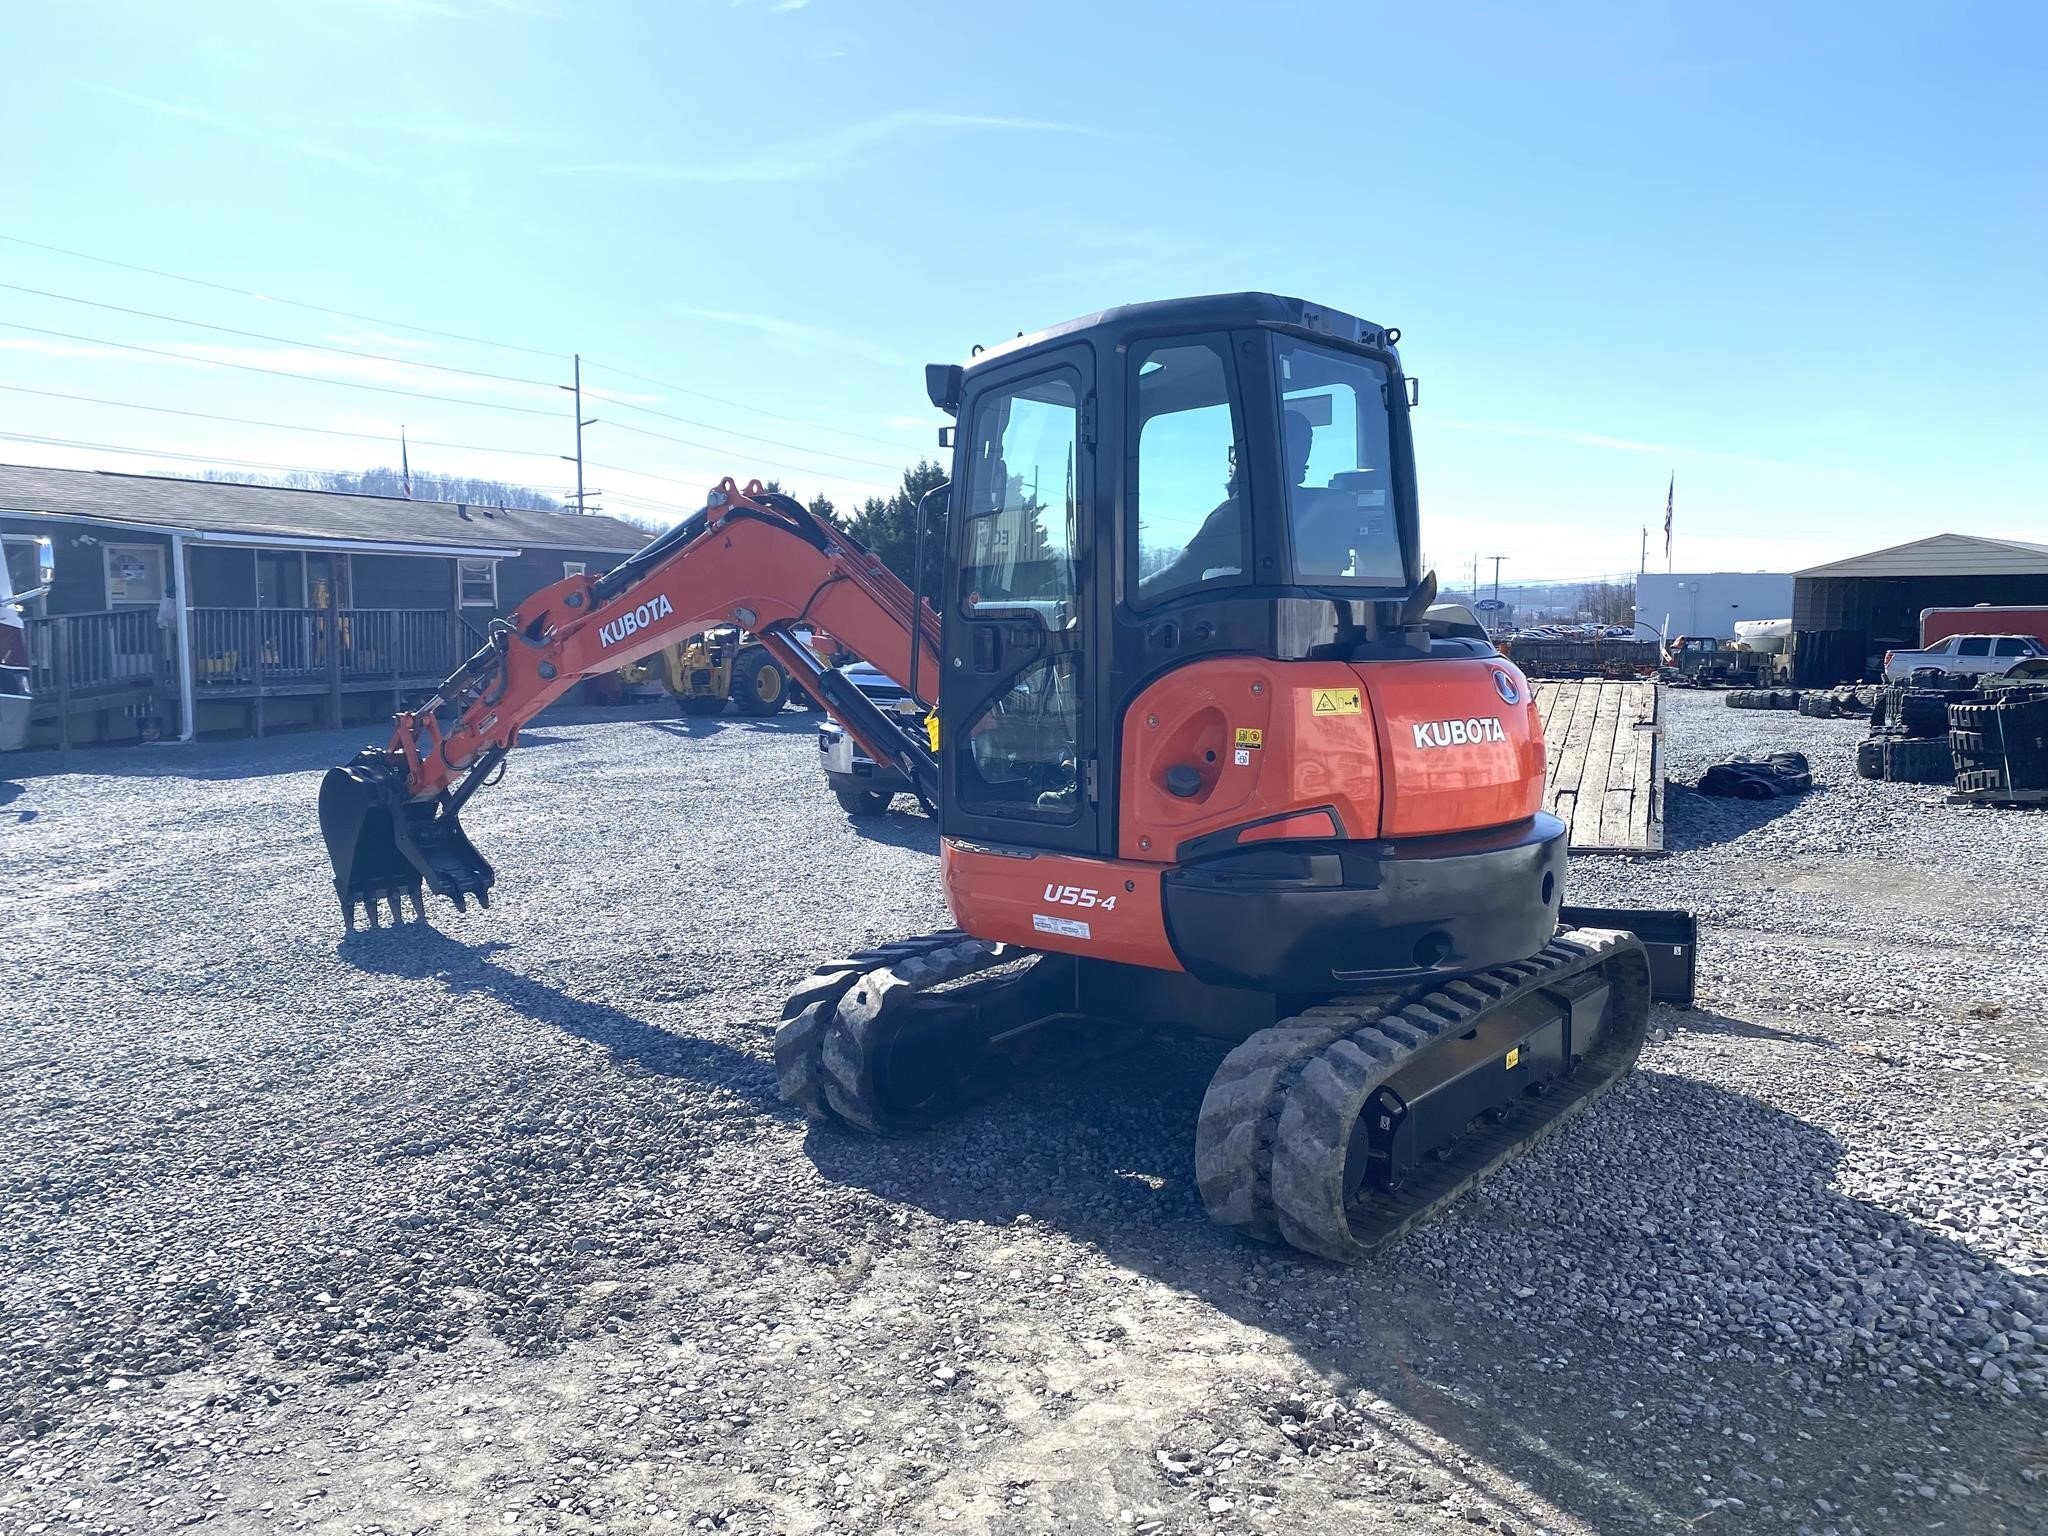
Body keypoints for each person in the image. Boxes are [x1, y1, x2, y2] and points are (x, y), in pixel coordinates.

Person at [1139, 408, 1323, 596]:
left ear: (1253, 454)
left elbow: (1177, 576)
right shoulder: (1316, 510)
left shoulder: (1240, 514)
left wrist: (1122, 599)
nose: (1231, 463)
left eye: (1236, 453)